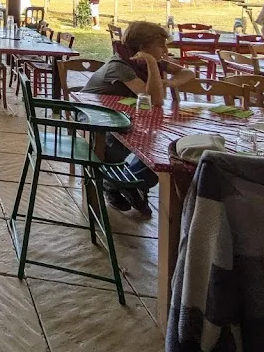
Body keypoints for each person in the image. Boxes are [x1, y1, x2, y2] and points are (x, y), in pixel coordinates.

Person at [80, 21, 195, 214]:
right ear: (144, 48)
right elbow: (154, 100)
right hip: (93, 116)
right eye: (161, 45)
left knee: (160, 144)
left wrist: (168, 81)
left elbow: (188, 72)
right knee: (128, 140)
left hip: (122, 115)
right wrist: (151, 64)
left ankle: (128, 183)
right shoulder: (120, 65)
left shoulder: (149, 61)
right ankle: (115, 184)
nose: (165, 50)